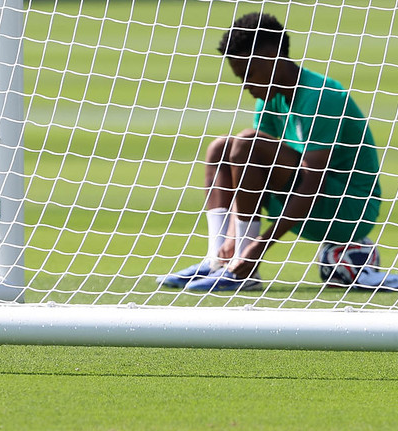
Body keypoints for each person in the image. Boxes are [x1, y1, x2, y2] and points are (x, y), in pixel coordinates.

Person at [157, 12, 381, 292]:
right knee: (221, 149)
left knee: (246, 142)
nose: (246, 86)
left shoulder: (321, 96)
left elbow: (313, 182)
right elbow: (248, 174)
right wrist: (231, 238)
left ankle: (243, 271)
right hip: (303, 203)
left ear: (273, 57)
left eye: (248, 75)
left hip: (346, 210)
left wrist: (256, 247)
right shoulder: (270, 96)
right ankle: (218, 260)